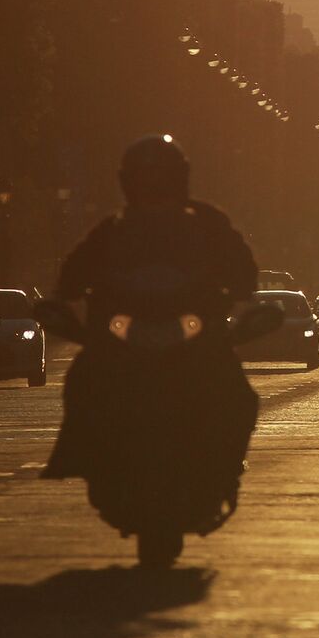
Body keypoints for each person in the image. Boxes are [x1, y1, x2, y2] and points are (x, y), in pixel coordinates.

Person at [43, 136, 259, 527]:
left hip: (192, 333)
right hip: (124, 332)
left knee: (238, 395)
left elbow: (244, 272)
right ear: (129, 184)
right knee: (83, 377)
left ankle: (226, 466)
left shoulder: (207, 224)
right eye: (146, 183)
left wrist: (238, 294)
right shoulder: (112, 229)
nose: (154, 192)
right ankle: (84, 457)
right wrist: (67, 299)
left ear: (179, 181)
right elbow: (72, 276)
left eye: (161, 182)